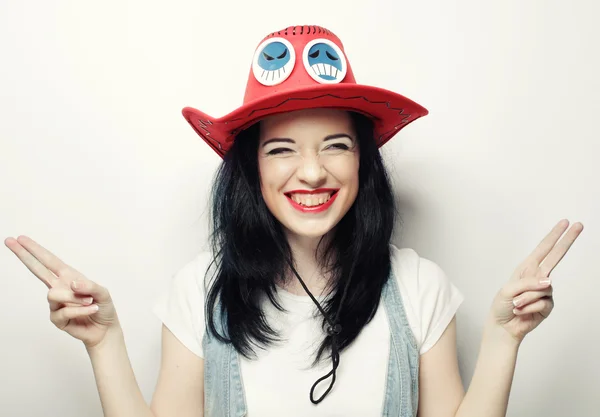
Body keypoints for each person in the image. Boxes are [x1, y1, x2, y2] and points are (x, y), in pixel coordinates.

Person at [5, 25, 584, 417]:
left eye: (336, 145)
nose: (312, 172)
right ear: (251, 169)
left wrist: (505, 338)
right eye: (281, 149)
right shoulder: (199, 291)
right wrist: (104, 343)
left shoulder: (418, 286)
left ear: (363, 163)